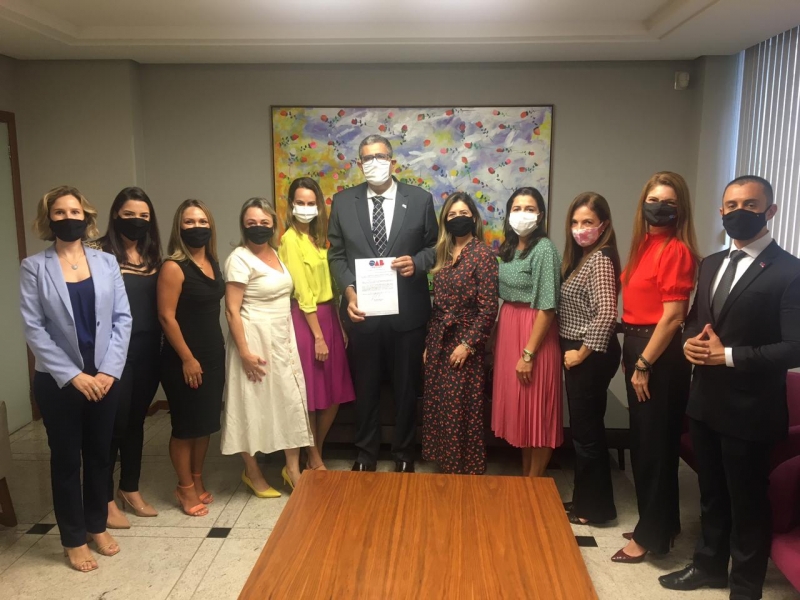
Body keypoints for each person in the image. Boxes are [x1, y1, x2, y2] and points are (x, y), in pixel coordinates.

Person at [660, 176, 800, 600]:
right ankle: (708, 567)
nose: (739, 212)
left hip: (752, 409)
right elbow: (696, 321)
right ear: (721, 211)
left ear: (770, 211)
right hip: (705, 401)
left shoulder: (790, 271)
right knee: (711, 494)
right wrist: (689, 343)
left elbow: (794, 347)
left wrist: (730, 356)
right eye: (732, 205)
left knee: (747, 501)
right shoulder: (711, 263)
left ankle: (745, 586)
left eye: (750, 204)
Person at [19, 186, 132, 571]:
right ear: (48, 219)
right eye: (60, 212)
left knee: (100, 455)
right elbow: (34, 329)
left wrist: (109, 370)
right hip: (58, 383)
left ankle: (96, 525)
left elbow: (122, 319)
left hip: (104, 378)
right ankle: (72, 537)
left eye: (75, 211)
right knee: (67, 459)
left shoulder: (106, 262)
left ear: (87, 216)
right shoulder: (34, 267)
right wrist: (73, 376)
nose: (69, 218)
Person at [328, 134, 438, 473]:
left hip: (408, 315)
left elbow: (435, 248)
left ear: (392, 161)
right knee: (366, 387)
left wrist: (417, 263)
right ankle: (365, 454)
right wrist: (349, 292)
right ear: (359, 163)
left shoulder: (419, 200)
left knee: (406, 389)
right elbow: (336, 255)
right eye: (366, 158)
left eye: (379, 156)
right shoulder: (342, 203)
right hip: (362, 313)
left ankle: (404, 454)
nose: (373, 162)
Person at [614, 171, 698, 563]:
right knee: (647, 442)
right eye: (653, 200)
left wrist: (644, 362)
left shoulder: (676, 250)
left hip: (658, 353)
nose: (659, 207)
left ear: (680, 209)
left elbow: (673, 316)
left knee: (653, 448)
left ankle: (650, 536)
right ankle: (662, 523)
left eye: (668, 202)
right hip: (638, 344)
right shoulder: (644, 245)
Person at [221, 198, 314, 494]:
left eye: (264, 222)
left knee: (289, 401)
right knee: (249, 404)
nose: (258, 227)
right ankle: (253, 472)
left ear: (273, 224)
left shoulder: (276, 253)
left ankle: (292, 469)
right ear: (243, 225)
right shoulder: (239, 258)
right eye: (252, 223)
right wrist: (244, 353)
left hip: (282, 338)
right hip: (253, 341)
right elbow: (231, 310)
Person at [96, 187, 162, 529]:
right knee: (114, 424)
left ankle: (130, 488)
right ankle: (104, 499)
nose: (137, 221)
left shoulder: (153, 255)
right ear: (115, 215)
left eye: (143, 216)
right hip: (114, 352)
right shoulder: (98, 252)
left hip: (150, 349)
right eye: (129, 215)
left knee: (137, 421)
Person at [279, 178, 355, 471]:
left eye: (311, 203)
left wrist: (339, 324)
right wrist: (318, 336)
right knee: (310, 395)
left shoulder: (320, 239)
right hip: (306, 321)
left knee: (334, 392)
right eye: (300, 203)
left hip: (329, 317)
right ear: (291, 205)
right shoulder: (290, 240)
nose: (306, 208)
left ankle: (316, 451)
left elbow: (331, 286)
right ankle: (313, 456)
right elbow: (302, 292)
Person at [422, 192, 499, 474]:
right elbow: (438, 306)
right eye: (452, 214)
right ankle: (446, 467)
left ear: (473, 217)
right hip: (439, 339)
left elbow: (489, 309)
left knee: (461, 408)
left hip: (466, 340)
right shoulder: (443, 254)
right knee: (441, 406)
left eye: (463, 213)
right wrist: (430, 343)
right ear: (445, 220)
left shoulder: (483, 255)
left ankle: (465, 470)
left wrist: (467, 345)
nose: (457, 219)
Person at [158, 199, 225, 517]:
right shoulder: (173, 267)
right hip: (182, 358)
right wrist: (187, 358)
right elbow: (166, 316)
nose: (196, 227)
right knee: (186, 426)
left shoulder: (212, 261)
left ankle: (197, 478)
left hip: (213, 354)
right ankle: (184, 487)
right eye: (189, 222)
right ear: (179, 227)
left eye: (202, 221)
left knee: (205, 423)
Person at [558, 192, 621, 525]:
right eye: (575, 222)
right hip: (582, 351)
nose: (580, 228)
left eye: (588, 222)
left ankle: (593, 510)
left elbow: (607, 313)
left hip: (589, 353)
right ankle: (586, 501)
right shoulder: (584, 257)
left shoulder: (599, 259)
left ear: (604, 225)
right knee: (586, 431)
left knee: (587, 434)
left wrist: (581, 353)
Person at [492, 187, 563, 478]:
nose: (523, 214)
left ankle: (534, 484)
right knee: (522, 413)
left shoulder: (544, 249)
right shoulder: (508, 249)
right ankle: (526, 479)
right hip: (510, 325)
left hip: (534, 333)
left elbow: (548, 307)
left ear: (540, 215)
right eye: (517, 208)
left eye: (530, 208)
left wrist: (529, 354)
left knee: (538, 412)